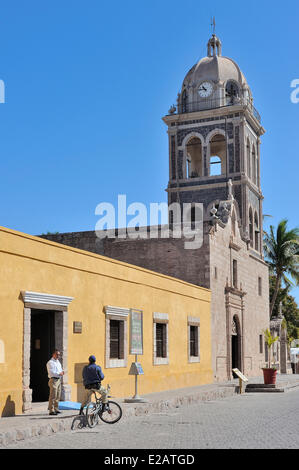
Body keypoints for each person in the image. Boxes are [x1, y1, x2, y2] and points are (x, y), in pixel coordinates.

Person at [46, 349, 64, 416]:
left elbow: (60, 370)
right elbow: (52, 373)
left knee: (58, 395)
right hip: (53, 380)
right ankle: (51, 410)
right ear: (53, 354)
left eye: (59, 354)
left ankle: (56, 408)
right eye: (57, 354)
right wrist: (60, 374)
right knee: (53, 396)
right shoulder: (50, 362)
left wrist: (62, 373)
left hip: (58, 380)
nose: (58, 356)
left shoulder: (58, 362)